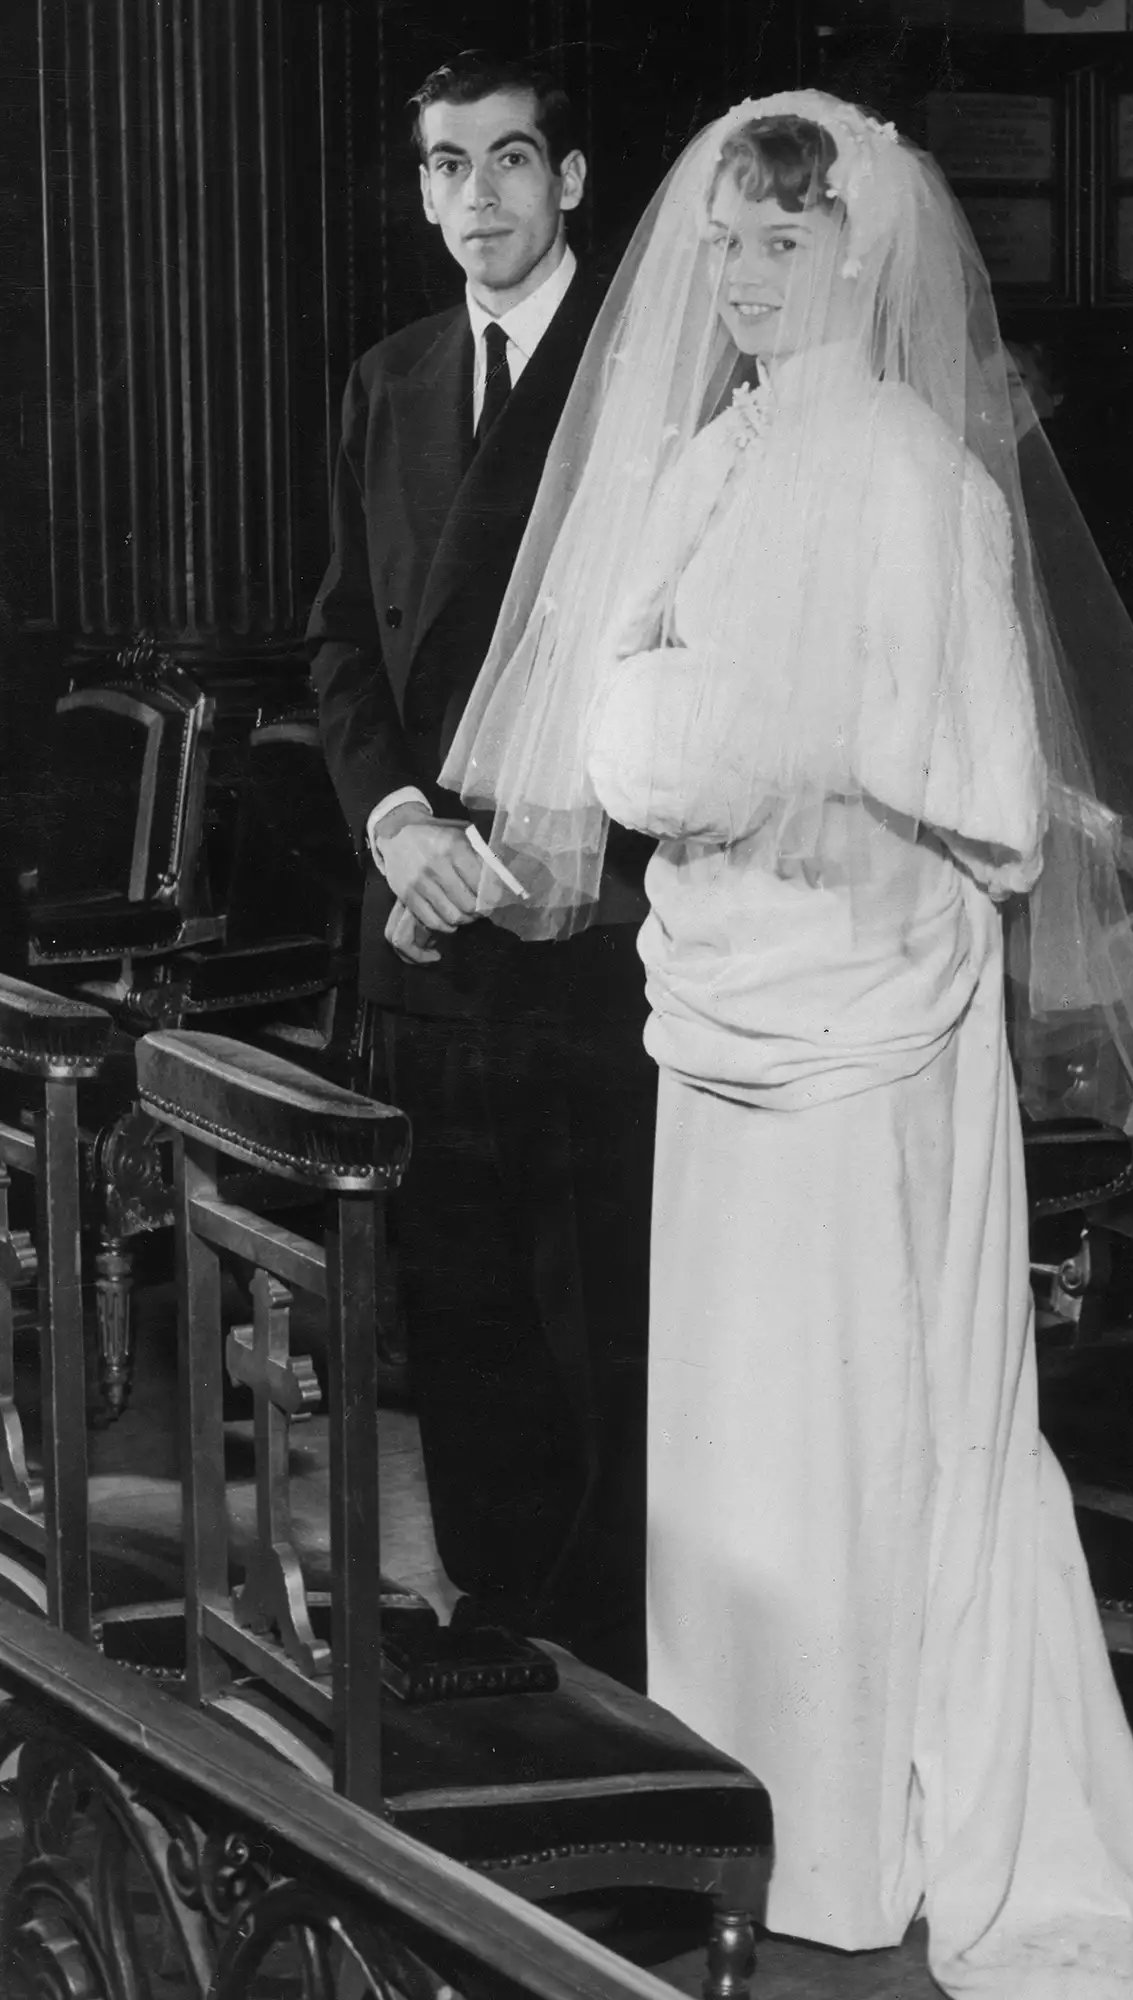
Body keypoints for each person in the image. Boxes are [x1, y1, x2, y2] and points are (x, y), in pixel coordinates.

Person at [442, 92, 1133, 1994]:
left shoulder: (920, 476)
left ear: (862, 251)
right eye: (727, 247)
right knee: (734, 1443)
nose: (746, 280)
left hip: (860, 1023)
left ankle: (856, 1831)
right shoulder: (692, 468)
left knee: (856, 1434)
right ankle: (736, 1805)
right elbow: (606, 740)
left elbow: (983, 804)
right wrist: (685, 748)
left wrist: (781, 760)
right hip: (716, 1012)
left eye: (786, 241)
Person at [308, 52, 655, 1688]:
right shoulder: (391, 375)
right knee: (463, 1329)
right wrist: (395, 824)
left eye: (509, 161)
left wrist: (556, 840)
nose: (476, 200)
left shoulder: (653, 368)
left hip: (590, 925)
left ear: (570, 180)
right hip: (427, 930)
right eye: (446, 167)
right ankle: (501, 1674)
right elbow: (336, 642)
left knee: (597, 1322)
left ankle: (605, 1701)